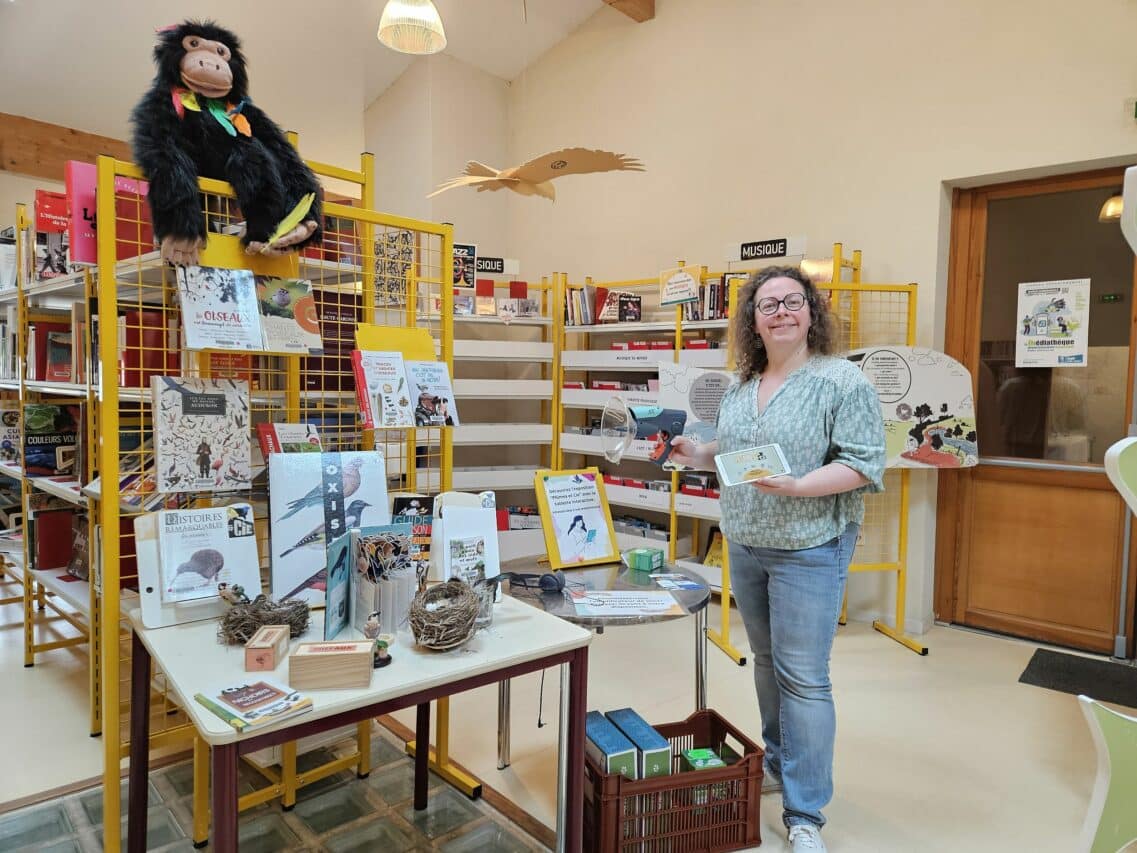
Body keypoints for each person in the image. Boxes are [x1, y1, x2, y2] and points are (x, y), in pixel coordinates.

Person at [669, 265, 885, 853]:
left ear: (812, 312)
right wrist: (699, 452)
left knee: (804, 678)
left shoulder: (841, 382)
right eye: (768, 305)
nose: (781, 312)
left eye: (792, 301)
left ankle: (805, 811)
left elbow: (863, 463)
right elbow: (738, 449)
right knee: (766, 663)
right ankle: (778, 761)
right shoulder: (743, 385)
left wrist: (800, 486)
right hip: (746, 540)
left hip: (809, 546)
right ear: (753, 320)